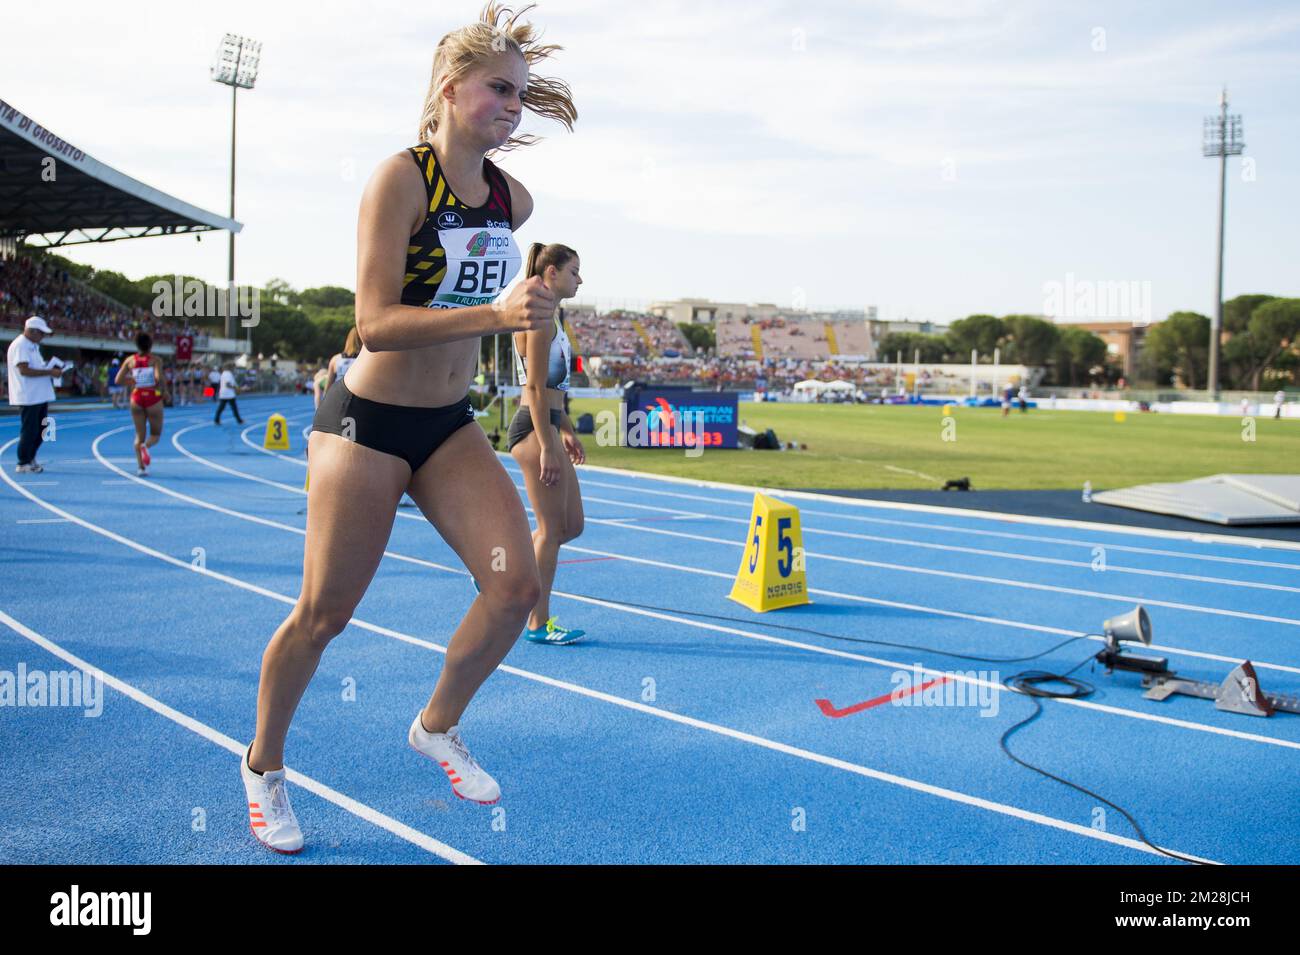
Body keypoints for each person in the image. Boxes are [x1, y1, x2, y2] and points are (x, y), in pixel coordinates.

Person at [239, 0, 576, 854]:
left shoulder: (514, 197)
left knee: (513, 588)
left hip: (447, 425)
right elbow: (376, 320)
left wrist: (524, 313)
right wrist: (494, 314)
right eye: (500, 89)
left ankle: (435, 725)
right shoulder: (400, 179)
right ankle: (264, 766)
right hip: (369, 421)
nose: (513, 105)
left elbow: (508, 301)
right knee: (323, 615)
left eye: (522, 95)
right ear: (450, 87)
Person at [508, 244, 586, 645]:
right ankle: (538, 623)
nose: (581, 279)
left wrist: (566, 429)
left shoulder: (553, 318)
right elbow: (535, 388)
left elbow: (554, 390)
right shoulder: (538, 320)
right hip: (533, 429)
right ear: (552, 272)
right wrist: (548, 444)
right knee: (552, 529)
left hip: (550, 425)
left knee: (572, 526)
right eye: (575, 271)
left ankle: (500, 567)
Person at [6, 316, 59, 473]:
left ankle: (30, 457)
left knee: (42, 429)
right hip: (29, 396)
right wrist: (49, 371)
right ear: (32, 331)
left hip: (39, 395)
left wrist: (49, 368)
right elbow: (24, 370)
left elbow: (35, 367)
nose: (43, 337)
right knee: (29, 430)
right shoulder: (21, 345)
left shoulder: (32, 346)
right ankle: (23, 462)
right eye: (41, 333)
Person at [115, 332, 165, 476]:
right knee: (155, 434)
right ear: (151, 345)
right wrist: (163, 391)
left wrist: (131, 381)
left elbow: (118, 380)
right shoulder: (155, 360)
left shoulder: (130, 360)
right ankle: (146, 446)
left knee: (139, 434)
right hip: (152, 397)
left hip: (136, 397)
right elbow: (158, 378)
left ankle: (141, 468)